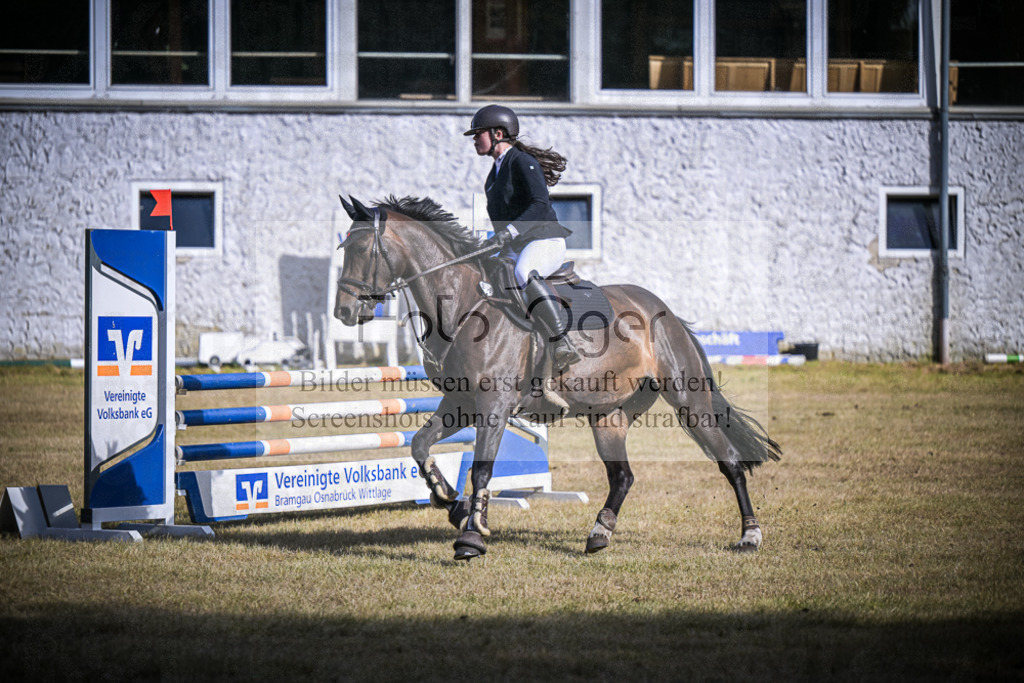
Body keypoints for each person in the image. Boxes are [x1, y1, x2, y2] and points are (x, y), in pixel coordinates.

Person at [464, 104, 582, 369]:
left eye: (478, 133)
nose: (474, 139)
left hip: (544, 240)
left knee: (523, 272)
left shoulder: (522, 162)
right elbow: (501, 223)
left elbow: (540, 204)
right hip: (517, 245)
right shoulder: (492, 177)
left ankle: (561, 340)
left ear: (497, 133)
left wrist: (510, 232)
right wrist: (493, 244)